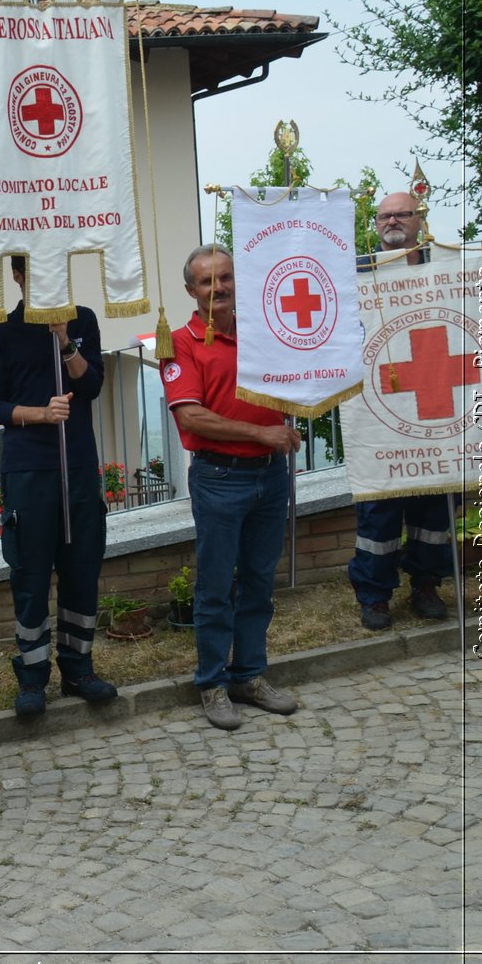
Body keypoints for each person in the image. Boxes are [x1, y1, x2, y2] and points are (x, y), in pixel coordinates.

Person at [162, 247, 303, 731]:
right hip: (220, 478)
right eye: (206, 282)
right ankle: (212, 683)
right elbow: (190, 415)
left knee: (260, 583)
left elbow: (288, 383)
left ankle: (249, 676)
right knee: (217, 587)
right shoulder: (179, 342)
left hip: (270, 475)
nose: (218, 288)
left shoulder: (265, 334)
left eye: (224, 278)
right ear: (190, 292)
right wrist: (262, 433)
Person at [0, 255, 118, 715]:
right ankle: (33, 678)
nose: (42, 281)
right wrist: (40, 414)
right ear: (17, 277)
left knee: (81, 568)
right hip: (29, 469)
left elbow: (93, 384)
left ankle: (79, 669)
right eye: (32, 272)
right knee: (32, 573)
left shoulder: (83, 320)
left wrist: (65, 341)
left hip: (77, 464)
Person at [350, 192, 453, 629]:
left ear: (419, 219)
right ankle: (374, 597)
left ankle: (427, 584)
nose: (393, 221)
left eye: (402, 214)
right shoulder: (357, 275)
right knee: (380, 512)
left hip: (439, 407)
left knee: (435, 510)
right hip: (380, 413)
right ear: (376, 224)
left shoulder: (447, 269)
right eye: (384, 215)